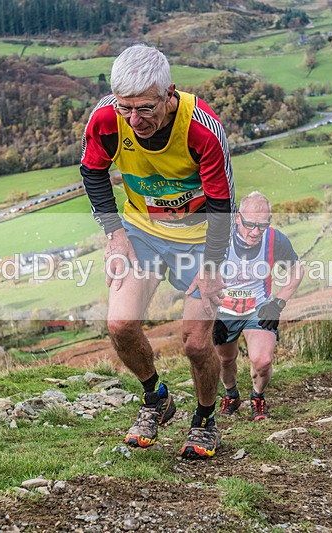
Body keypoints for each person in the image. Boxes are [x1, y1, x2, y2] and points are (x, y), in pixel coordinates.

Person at [80, 45, 235, 459]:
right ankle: (156, 398)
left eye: (145, 107)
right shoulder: (106, 118)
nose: (135, 120)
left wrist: (212, 268)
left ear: (170, 95)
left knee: (196, 343)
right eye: (126, 108)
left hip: (202, 238)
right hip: (141, 232)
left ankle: (204, 420)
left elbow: (222, 205)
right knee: (120, 325)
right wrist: (115, 234)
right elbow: (92, 172)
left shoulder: (202, 129)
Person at [213, 192, 303, 421]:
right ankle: (231, 394)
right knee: (224, 360)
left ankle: (257, 397)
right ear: (237, 218)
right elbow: (198, 277)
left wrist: (278, 302)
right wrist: (211, 315)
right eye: (250, 224)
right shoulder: (219, 237)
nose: (255, 232)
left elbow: (297, 271)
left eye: (262, 226)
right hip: (224, 308)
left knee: (263, 361)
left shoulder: (275, 239)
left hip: (259, 307)